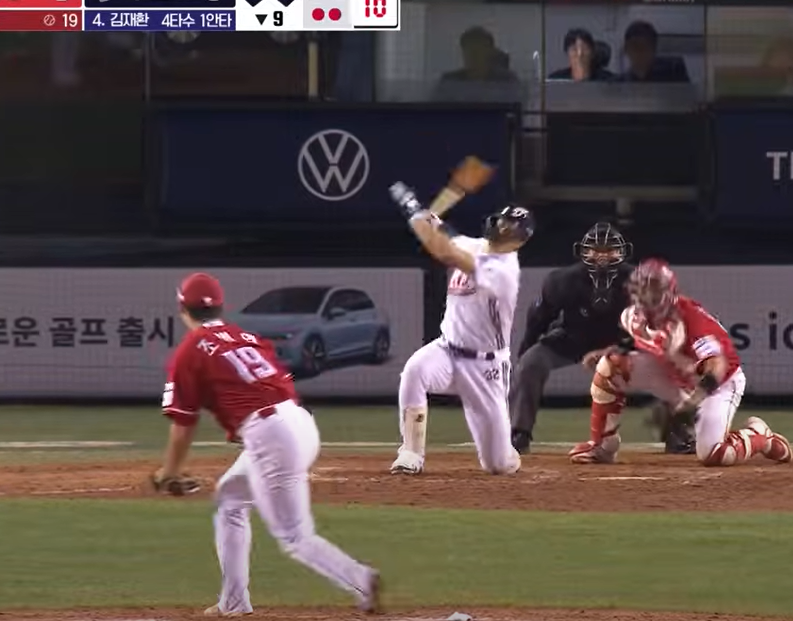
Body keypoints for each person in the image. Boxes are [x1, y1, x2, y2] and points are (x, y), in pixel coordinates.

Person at [156, 272, 381, 616]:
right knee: (230, 499)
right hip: (299, 422)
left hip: (272, 434)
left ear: (182, 309)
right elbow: (274, 383)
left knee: (295, 537)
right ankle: (234, 601)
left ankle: (361, 579)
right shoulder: (245, 336)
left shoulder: (190, 349)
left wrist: (169, 472)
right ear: (220, 306)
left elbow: (183, 424)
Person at [568, 259, 793, 467]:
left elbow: (717, 366)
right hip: (674, 374)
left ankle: (760, 436)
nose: (646, 297)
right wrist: (606, 352)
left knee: (715, 454)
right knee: (610, 367)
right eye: (642, 290)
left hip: (719, 384)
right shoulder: (632, 316)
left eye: (653, 291)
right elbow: (634, 340)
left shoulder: (691, 320)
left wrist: (692, 402)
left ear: (668, 292)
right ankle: (603, 447)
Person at [509, 222, 695, 455]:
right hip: (573, 337)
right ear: (582, 252)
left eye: (610, 250)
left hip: (625, 340)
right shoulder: (561, 281)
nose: (602, 256)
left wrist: (620, 348)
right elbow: (538, 319)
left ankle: (678, 433)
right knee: (530, 363)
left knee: (668, 364)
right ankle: (518, 433)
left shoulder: (641, 282)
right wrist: (523, 354)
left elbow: (656, 326)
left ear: (623, 252)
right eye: (595, 250)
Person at [388, 182, 535, 475]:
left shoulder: (503, 271)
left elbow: (445, 252)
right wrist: (424, 215)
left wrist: (414, 215)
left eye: (511, 226)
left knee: (497, 465)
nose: (503, 225)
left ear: (520, 240)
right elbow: (445, 234)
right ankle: (411, 453)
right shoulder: (473, 244)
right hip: (448, 349)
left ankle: (506, 454)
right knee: (415, 371)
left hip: (486, 367)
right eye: (503, 219)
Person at [620, 21, 690, 83]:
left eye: (644, 47)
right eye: (635, 47)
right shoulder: (619, 84)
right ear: (626, 49)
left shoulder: (674, 74)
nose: (639, 52)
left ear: (654, 49)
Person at [548, 28, 615, 81]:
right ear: (567, 53)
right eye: (574, 50)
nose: (579, 54)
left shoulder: (610, 81)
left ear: (592, 53)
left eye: (585, 49)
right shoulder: (555, 80)